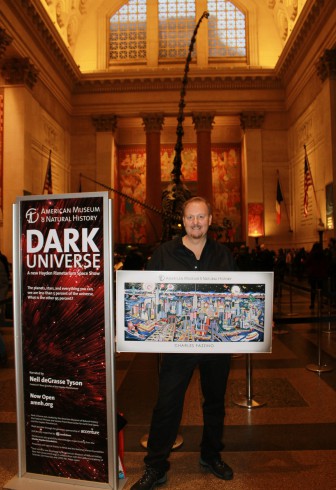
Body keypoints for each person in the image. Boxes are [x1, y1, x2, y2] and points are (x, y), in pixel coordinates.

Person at [131, 196, 237, 490]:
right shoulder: (164, 253)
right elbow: (146, 294)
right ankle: (155, 466)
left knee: (214, 402)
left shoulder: (223, 254)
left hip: (215, 345)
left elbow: (237, 294)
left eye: (201, 217)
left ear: (210, 220)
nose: (195, 222)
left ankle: (211, 455)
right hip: (177, 345)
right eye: (190, 217)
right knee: (167, 404)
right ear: (183, 221)